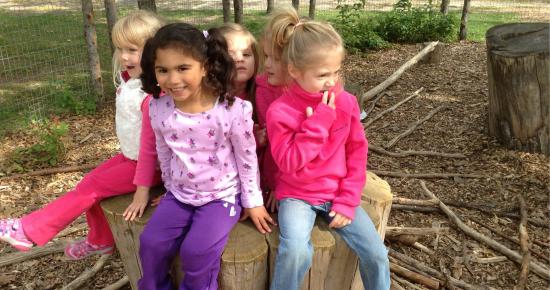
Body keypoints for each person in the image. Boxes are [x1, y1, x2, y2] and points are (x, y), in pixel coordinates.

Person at [0, 11, 164, 260]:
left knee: (92, 189)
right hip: (131, 158)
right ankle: (101, 241)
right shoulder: (134, 81)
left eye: (132, 49)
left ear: (155, 52)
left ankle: (27, 231)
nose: (123, 57)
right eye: (120, 49)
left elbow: (155, 147)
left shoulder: (151, 96)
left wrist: (145, 189)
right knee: (89, 184)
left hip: (149, 166)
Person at [137, 22, 275, 290]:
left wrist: (253, 201)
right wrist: (168, 187)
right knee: (150, 243)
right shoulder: (158, 108)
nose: (173, 80)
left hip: (221, 197)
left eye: (182, 68)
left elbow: (246, 160)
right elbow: (164, 152)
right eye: (162, 70)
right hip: (179, 195)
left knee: (196, 252)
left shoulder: (232, 110)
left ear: (206, 65)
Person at [265, 8, 390, 290]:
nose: (332, 81)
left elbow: (357, 153)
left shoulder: (346, 102)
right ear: (295, 71)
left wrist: (347, 200)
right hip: (297, 196)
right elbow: (288, 162)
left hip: (337, 194)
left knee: (377, 254)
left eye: (336, 71)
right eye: (323, 74)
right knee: (296, 251)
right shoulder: (280, 111)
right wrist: (319, 123)